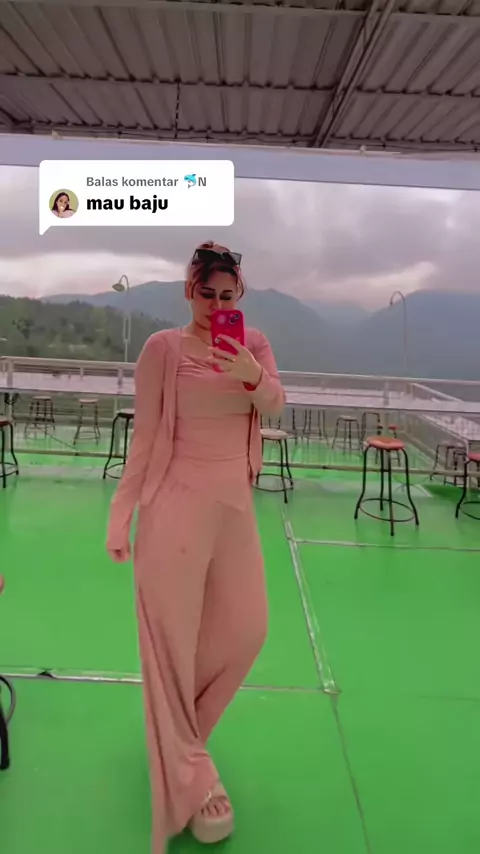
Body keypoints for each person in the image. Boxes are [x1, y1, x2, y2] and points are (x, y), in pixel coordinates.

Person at [106, 241, 285, 853]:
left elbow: (275, 403)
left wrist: (249, 373)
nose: (215, 305)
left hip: (234, 508)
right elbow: (145, 437)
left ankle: (181, 746)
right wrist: (120, 515)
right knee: (171, 644)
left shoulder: (253, 345)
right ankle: (190, 769)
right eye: (206, 294)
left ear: (240, 296)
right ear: (189, 291)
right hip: (174, 506)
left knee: (247, 630)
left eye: (226, 295)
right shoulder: (163, 349)